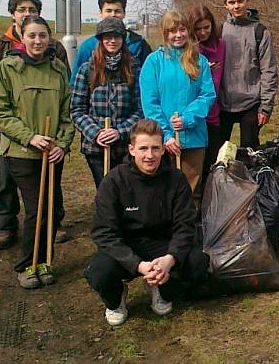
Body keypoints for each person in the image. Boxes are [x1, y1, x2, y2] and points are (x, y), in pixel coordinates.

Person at [84, 118, 210, 326]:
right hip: (127, 246)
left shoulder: (176, 179)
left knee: (199, 263)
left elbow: (185, 226)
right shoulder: (114, 181)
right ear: (131, 149)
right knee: (98, 271)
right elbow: (103, 233)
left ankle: (162, 290)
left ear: (163, 150)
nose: (149, 156)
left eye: (155, 148)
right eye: (143, 148)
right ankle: (116, 299)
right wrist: (137, 265)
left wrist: (170, 259)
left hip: (163, 245)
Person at [0, 0, 71, 249]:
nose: (26, 12)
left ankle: (52, 230)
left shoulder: (56, 56)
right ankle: (6, 227)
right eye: (21, 9)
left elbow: (65, 100)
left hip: (50, 140)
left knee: (47, 195)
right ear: (14, 15)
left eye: (32, 8)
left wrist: (61, 142)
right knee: (6, 182)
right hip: (14, 137)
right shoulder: (0, 48)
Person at [0, 16, 75, 289]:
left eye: (43, 36)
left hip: (52, 153)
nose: (38, 41)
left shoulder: (59, 69)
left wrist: (62, 144)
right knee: (36, 208)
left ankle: (45, 260)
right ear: (22, 38)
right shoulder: (8, 68)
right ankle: (26, 264)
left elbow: (67, 111)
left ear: (50, 38)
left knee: (50, 207)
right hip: (21, 152)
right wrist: (30, 137)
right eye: (32, 36)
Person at [140, 11, 215, 200]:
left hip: (194, 138)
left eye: (182, 29)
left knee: (190, 191)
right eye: (172, 31)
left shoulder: (200, 61)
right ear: (165, 33)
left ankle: (187, 227)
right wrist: (165, 135)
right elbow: (150, 102)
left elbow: (207, 95)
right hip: (162, 141)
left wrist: (187, 119)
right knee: (162, 191)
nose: (178, 35)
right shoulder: (153, 62)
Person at [70, 17, 143, 187]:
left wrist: (120, 131)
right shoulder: (87, 69)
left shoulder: (133, 68)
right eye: (107, 37)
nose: (112, 41)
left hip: (125, 146)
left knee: (125, 190)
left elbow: (140, 109)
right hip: (96, 147)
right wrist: (96, 133)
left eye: (116, 37)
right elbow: (77, 110)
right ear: (101, 40)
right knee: (104, 191)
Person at [218, 0, 278, 149]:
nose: (236, 6)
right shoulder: (219, 31)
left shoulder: (260, 32)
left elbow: (269, 70)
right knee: (218, 155)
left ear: (247, 1)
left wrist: (266, 107)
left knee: (250, 153)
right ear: (225, 5)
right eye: (232, 2)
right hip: (223, 103)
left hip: (251, 103)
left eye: (240, 1)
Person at [71, 0, 152, 85]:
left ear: (124, 13)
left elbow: (150, 78)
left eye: (117, 11)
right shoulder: (88, 46)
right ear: (100, 13)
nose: (113, 14)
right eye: (108, 11)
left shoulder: (139, 44)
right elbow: (75, 83)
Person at [187, 5, 226, 180]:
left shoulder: (221, 46)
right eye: (198, 29)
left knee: (214, 164)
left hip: (215, 114)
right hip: (195, 116)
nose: (203, 33)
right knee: (196, 170)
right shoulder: (188, 51)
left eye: (206, 28)